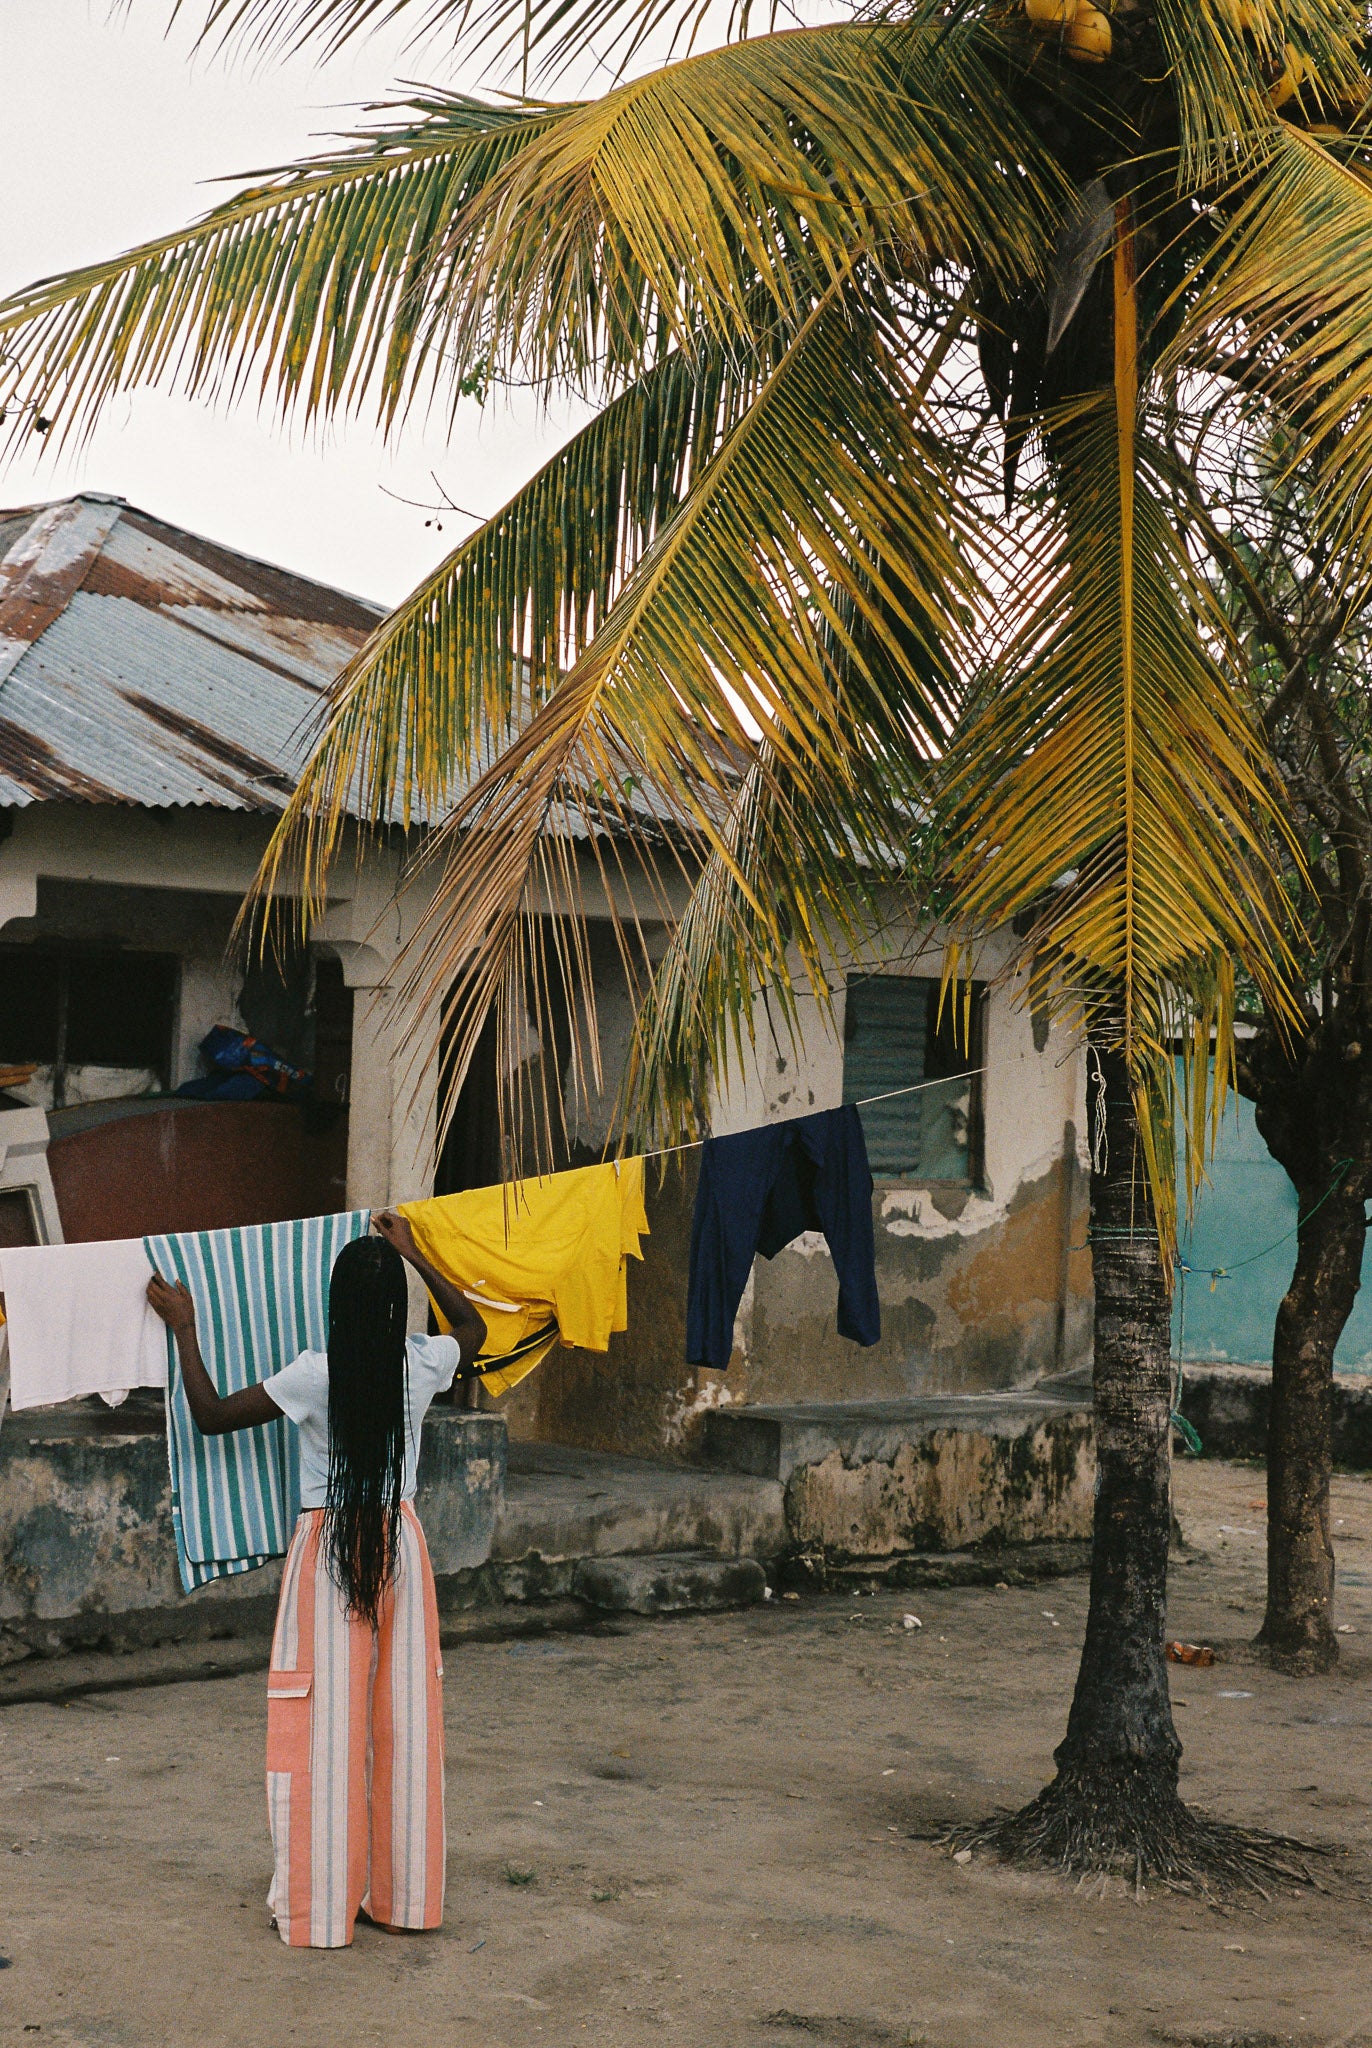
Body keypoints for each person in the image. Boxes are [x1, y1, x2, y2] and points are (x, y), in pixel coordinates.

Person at [146, 1210, 486, 1950]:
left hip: (328, 1547)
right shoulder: (420, 1363)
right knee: (407, 1725)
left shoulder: (315, 1372)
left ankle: (319, 1911)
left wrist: (185, 1327)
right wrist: (416, 1252)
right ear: (396, 1306)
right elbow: (475, 1330)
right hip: (401, 1543)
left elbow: (208, 1416)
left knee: (320, 1732)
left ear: (335, 1305)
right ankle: (405, 1900)